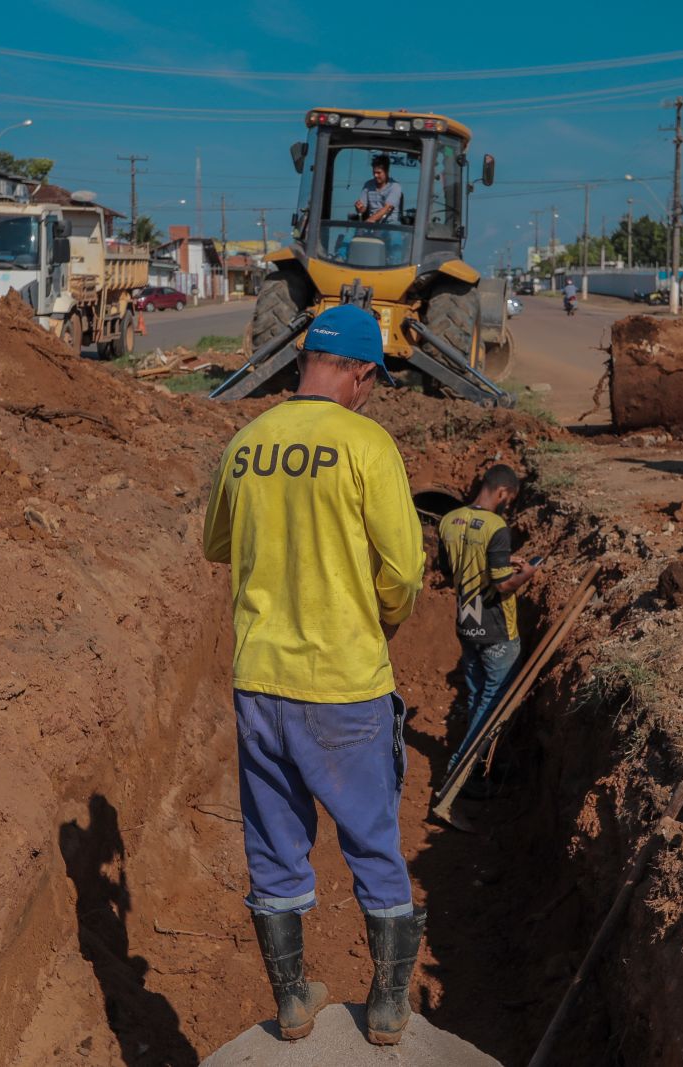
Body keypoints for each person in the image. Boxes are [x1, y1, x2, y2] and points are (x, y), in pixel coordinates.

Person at [202, 304, 427, 1047]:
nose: (369, 393)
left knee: (273, 841)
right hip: (344, 684)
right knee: (371, 839)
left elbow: (218, 545)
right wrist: (381, 620)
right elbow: (403, 569)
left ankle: (293, 998)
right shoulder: (367, 444)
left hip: (260, 680)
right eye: (372, 381)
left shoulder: (246, 441)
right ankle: (390, 1006)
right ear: (360, 373)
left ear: (306, 361)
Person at [437, 465, 538, 776]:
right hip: (497, 631)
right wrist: (526, 575)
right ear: (503, 493)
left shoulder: (448, 521)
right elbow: (502, 584)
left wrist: (501, 560)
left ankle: (476, 765)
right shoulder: (496, 527)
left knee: (478, 697)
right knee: (494, 701)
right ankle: (461, 772)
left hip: (467, 626)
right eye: (509, 498)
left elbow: (449, 570)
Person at [354, 155, 403, 224]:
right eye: (374, 172)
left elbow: (387, 209)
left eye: (379, 173)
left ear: (387, 171)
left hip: (390, 225)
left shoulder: (395, 186)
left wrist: (368, 222)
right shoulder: (368, 185)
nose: (375, 175)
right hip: (373, 225)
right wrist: (359, 207)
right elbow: (362, 209)